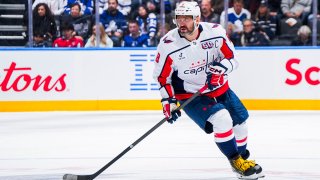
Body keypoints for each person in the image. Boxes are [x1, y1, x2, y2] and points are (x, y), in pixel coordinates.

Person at [153, 1, 264, 179]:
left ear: (197, 19)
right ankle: (236, 163)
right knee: (222, 119)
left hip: (219, 88)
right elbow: (162, 77)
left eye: (186, 18)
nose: (181, 23)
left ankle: (242, 160)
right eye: (178, 18)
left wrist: (221, 69)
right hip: (191, 94)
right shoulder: (168, 44)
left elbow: (233, 58)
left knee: (241, 125)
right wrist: (168, 102)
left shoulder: (215, 32)